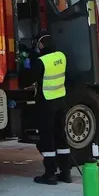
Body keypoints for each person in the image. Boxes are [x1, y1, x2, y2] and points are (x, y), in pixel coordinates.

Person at [24, 34, 73, 185]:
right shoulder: (61, 56)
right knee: (61, 136)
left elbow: (28, 79)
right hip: (60, 101)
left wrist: (26, 66)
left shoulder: (41, 61)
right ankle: (66, 173)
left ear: (42, 45)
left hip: (47, 103)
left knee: (47, 138)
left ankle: (50, 174)